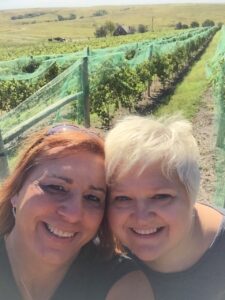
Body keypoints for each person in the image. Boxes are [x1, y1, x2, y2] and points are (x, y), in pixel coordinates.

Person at [0, 123, 153, 300]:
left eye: (92, 198)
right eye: (56, 187)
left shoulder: (123, 285)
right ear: (16, 192)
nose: (73, 214)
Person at [105, 114, 225, 300]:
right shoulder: (102, 254)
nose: (141, 217)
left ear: (191, 194)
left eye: (161, 197)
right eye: (123, 198)